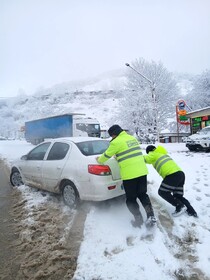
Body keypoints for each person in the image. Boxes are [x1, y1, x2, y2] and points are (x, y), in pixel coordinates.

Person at [96, 124, 156, 228]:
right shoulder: (132, 138)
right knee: (143, 195)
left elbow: (106, 155)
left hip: (130, 175)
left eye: (112, 136)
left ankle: (138, 219)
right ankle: (151, 217)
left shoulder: (115, 142)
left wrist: (99, 160)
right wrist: (119, 156)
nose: (112, 138)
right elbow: (128, 153)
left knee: (131, 199)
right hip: (142, 172)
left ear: (114, 134)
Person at [144, 145, 198, 217]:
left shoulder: (153, 154)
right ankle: (192, 212)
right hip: (180, 174)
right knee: (178, 196)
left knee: (162, 192)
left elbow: (144, 159)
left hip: (172, 175)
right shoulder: (162, 154)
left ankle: (180, 206)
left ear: (149, 151)